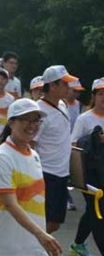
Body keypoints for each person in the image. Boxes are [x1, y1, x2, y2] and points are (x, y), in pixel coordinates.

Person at [0, 98, 62, 256]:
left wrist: (39, 238)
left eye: (36, 120)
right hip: (1, 251)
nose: (31, 125)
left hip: (33, 250)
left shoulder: (34, 155)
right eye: (25, 120)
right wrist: (41, 234)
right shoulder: (3, 156)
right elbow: (10, 203)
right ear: (11, 122)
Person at [34, 65, 78, 234]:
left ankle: (34, 252)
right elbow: (31, 143)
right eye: (65, 83)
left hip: (62, 174)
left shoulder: (62, 105)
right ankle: (32, 255)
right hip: (46, 173)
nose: (69, 87)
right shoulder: (39, 111)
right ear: (52, 85)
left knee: (55, 223)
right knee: (44, 221)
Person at [68, 77, 104, 256]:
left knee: (93, 211)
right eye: (100, 93)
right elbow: (74, 145)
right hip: (89, 174)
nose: (103, 97)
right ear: (94, 96)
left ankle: (78, 244)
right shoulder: (85, 118)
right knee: (98, 212)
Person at [0, 69, 15, 147]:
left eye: (3, 79)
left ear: (7, 81)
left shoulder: (11, 99)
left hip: (3, 137)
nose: (0, 81)